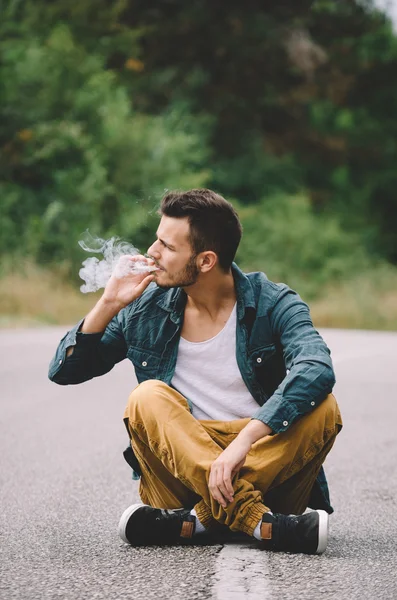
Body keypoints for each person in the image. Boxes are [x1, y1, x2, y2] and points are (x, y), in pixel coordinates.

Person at [49, 188, 342, 555]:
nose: (152, 252)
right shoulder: (143, 307)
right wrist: (109, 302)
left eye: (167, 247)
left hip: (263, 460)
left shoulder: (274, 302)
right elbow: (65, 371)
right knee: (147, 398)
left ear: (205, 261)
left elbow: (316, 367)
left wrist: (244, 441)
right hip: (180, 467)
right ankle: (256, 521)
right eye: (156, 240)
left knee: (324, 407)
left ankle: (196, 521)